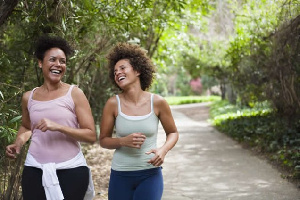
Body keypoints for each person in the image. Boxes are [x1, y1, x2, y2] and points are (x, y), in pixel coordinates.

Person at [5, 35, 97, 200]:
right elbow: (27, 127)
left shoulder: (75, 94)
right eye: (52, 60)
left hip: (72, 170)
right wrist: (18, 143)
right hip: (34, 168)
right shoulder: (29, 97)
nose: (58, 65)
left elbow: (90, 135)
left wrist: (59, 127)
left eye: (62, 61)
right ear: (40, 63)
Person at [99, 42, 179, 200]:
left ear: (137, 70)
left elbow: (173, 132)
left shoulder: (157, 102)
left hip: (150, 174)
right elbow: (103, 140)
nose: (118, 73)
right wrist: (122, 141)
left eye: (122, 68)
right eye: (115, 71)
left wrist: (163, 150)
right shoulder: (113, 104)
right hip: (120, 175)